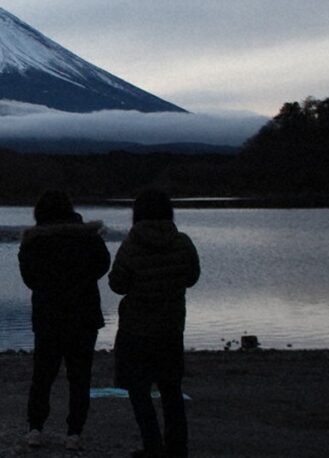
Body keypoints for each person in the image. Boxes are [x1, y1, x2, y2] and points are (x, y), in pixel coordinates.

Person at [109, 189, 200, 458]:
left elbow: (117, 284)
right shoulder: (182, 242)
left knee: (139, 391)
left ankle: (153, 446)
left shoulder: (131, 244)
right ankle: (177, 447)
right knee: (171, 389)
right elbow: (192, 277)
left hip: (136, 328)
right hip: (171, 326)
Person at [18, 190, 111, 451]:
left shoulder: (34, 241)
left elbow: (29, 278)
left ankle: (35, 429)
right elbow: (103, 265)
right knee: (80, 377)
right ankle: (74, 433)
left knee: (43, 375)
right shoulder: (88, 238)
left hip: (48, 315)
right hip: (84, 315)